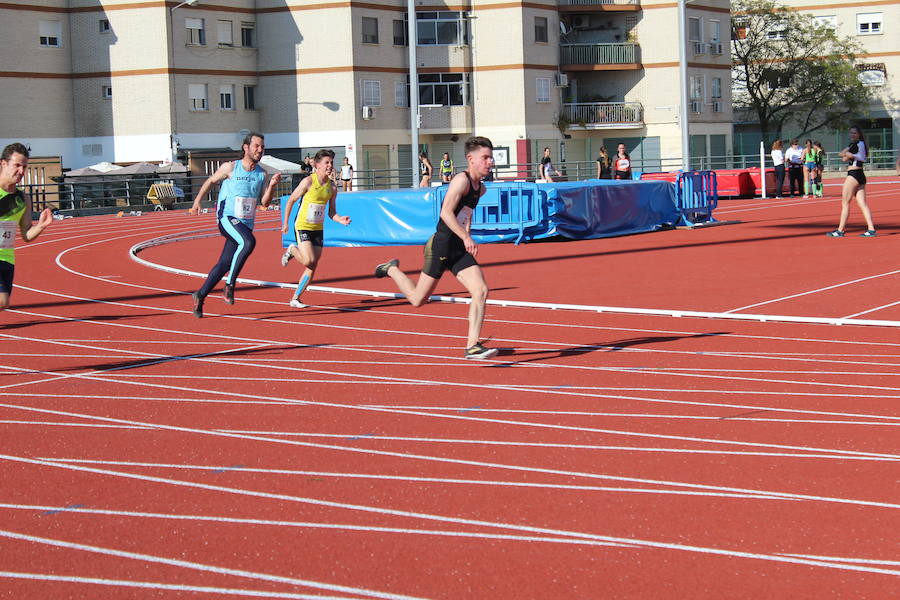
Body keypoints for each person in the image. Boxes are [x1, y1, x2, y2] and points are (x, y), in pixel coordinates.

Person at [374, 136, 498, 360]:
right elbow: (446, 213)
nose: (491, 162)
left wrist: (467, 234)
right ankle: (391, 268)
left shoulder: (481, 189)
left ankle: (472, 345)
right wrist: (466, 237)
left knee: (480, 290)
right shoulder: (461, 181)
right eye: (485, 157)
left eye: (491, 157)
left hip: (458, 248)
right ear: (471, 159)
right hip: (441, 246)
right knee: (417, 300)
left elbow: (466, 214)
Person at [189, 132, 281, 317]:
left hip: (245, 223)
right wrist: (197, 202)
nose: (260, 150)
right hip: (227, 218)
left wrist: (271, 186)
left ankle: (200, 294)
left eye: (262, 147)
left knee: (224, 263)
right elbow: (210, 181)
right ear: (246, 147)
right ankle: (230, 285)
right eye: (256, 146)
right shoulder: (230, 167)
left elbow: (264, 203)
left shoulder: (261, 174)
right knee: (248, 242)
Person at [280, 149, 351, 307]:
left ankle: (295, 298)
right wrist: (285, 223)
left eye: (331, 162)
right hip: (303, 226)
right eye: (326, 163)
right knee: (308, 260)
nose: (330, 165)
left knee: (313, 265)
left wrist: (340, 219)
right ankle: (292, 249)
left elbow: (331, 212)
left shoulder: (332, 187)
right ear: (317, 165)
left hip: (317, 229)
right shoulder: (308, 182)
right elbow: (291, 200)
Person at [0, 143, 53, 311]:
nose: (21, 171)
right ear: (3, 164)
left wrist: (41, 226)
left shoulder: (23, 199)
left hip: (7, 260)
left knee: (3, 304)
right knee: (2, 301)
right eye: (17, 165)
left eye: (24, 167)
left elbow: (26, 235)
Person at [827, 125, 875, 237]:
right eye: (851, 133)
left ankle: (840, 230)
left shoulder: (860, 144)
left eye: (854, 133)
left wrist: (851, 155)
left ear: (859, 134)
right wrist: (848, 153)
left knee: (845, 203)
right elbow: (842, 156)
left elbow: (862, 157)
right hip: (858, 175)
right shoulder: (852, 145)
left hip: (854, 174)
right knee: (862, 203)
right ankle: (871, 229)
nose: (852, 135)